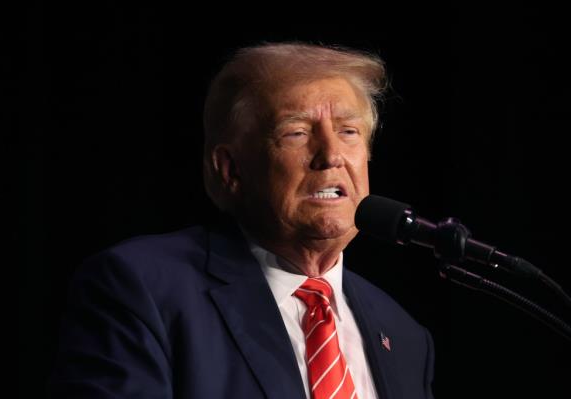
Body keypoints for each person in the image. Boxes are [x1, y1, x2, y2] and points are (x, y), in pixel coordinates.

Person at [49, 42, 435, 399]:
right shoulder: (142, 289)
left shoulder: (404, 334)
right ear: (230, 169)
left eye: (348, 132)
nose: (331, 155)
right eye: (297, 132)